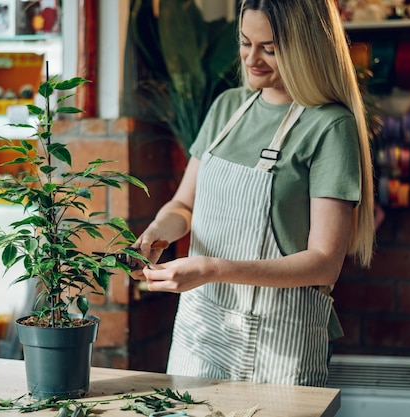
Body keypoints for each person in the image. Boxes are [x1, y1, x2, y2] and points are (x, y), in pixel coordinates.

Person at [132, 0, 375, 387]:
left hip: (281, 339)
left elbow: (324, 263)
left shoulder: (330, 126)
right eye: (246, 43)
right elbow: (183, 204)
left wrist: (212, 269)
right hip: (202, 326)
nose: (252, 59)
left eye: (271, 48)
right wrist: (158, 232)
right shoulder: (227, 107)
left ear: (307, 47)